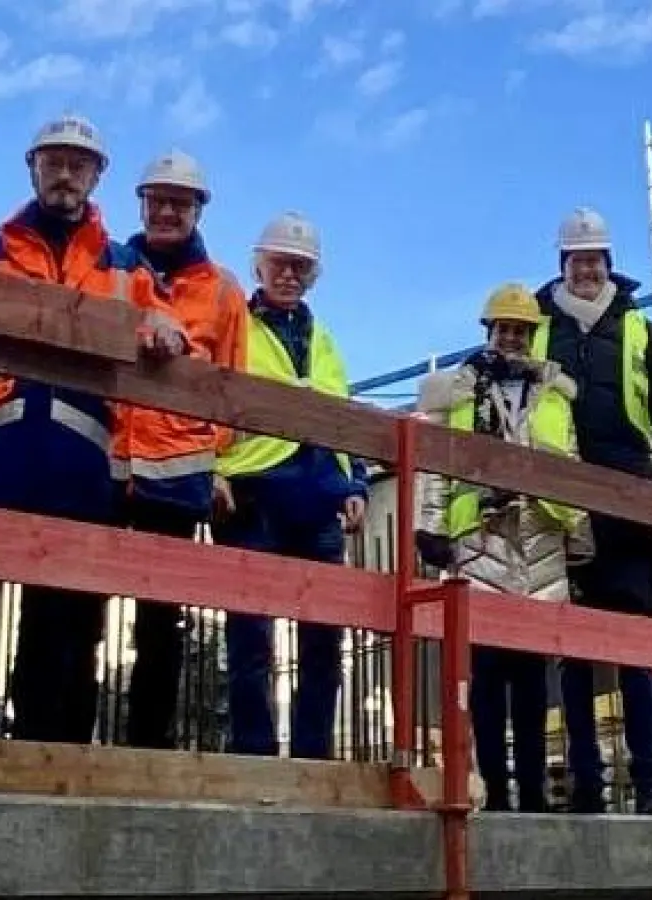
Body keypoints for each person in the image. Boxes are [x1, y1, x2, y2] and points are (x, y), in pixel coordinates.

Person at [0, 114, 183, 744]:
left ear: (97, 176)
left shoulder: (124, 269)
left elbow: (166, 329)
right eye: (53, 162)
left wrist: (164, 332)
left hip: (77, 467)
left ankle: (46, 749)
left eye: (78, 164)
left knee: (59, 619)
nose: (65, 174)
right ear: (33, 168)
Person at [414, 284, 592, 813]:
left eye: (521, 330)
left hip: (540, 537)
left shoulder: (555, 396)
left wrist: (579, 533)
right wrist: (431, 526)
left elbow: (571, 464)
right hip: (481, 537)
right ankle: (492, 790)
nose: (512, 337)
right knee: (487, 677)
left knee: (534, 681)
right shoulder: (459, 391)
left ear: (533, 337)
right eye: (504, 328)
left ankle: (533, 795)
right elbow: (434, 461)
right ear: (489, 331)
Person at [534, 207, 652, 814]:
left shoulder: (638, 326)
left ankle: (648, 784)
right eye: (578, 259)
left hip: (628, 486)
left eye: (596, 258)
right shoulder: (538, 326)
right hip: (559, 490)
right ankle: (587, 785)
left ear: (609, 263)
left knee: (636, 641)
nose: (588, 268)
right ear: (563, 264)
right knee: (572, 643)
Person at [214, 211, 368, 759]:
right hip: (253, 492)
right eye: (280, 264)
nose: (289, 275)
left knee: (324, 638)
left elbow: (343, 416)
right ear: (260, 265)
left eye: (300, 267)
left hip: (317, 500)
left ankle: (313, 755)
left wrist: (356, 484)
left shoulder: (323, 339)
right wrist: (213, 469)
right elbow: (209, 397)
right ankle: (253, 752)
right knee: (251, 635)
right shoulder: (235, 324)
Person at [117, 150, 248, 749]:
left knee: (160, 622)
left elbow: (232, 385)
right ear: (142, 203)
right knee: (76, 604)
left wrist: (212, 460)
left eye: (180, 202)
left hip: (175, 472)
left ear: (199, 210)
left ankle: (148, 747)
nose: (167, 211)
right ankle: (61, 740)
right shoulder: (112, 265)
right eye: (158, 200)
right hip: (105, 457)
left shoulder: (223, 290)